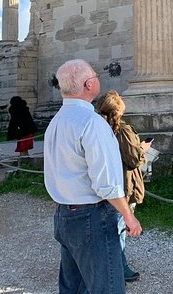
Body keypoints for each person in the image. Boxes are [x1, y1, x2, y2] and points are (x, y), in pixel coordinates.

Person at [43, 59, 142, 294]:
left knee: (73, 288)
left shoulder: (55, 122)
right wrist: (128, 215)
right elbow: (106, 183)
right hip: (92, 215)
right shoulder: (92, 123)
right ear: (89, 85)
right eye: (96, 75)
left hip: (64, 212)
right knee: (107, 287)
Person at [97, 90, 151, 283]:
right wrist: (143, 150)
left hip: (103, 186)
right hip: (122, 185)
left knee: (109, 228)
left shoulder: (97, 128)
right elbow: (133, 159)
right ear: (119, 109)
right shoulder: (123, 130)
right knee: (119, 229)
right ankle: (120, 268)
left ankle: (110, 266)